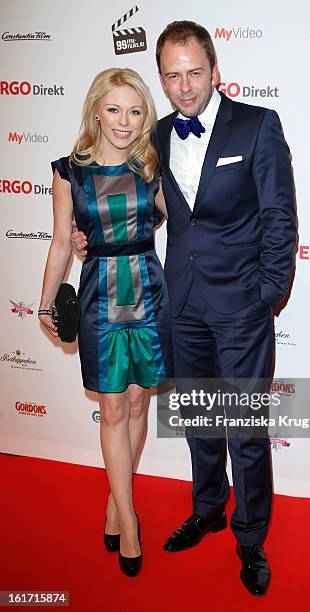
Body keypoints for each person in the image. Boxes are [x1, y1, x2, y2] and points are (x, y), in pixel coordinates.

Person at [73, 21, 297, 596]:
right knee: (199, 418)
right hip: (180, 302)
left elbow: (279, 218)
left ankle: (250, 538)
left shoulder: (257, 126)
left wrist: (267, 294)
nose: (185, 85)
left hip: (244, 304)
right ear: (163, 81)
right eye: (172, 76)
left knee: (244, 428)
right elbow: (127, 204)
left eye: (195, 72)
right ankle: (208, 509)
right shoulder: (157, 139)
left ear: (214, 70)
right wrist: (85, 238)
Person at [39, 67, 171, 578]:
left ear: (146, 118)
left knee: (139, 401)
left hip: (147, 292)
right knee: (113, 410)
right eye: (114, 108)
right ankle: (130, 521)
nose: (124, 120)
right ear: (96, 110)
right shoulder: (68, 171)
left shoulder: (151, 167)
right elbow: (58, 241)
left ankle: (117, 504)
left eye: (135, 110)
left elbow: (182, 220)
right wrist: (46, 302)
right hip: (99, 295)